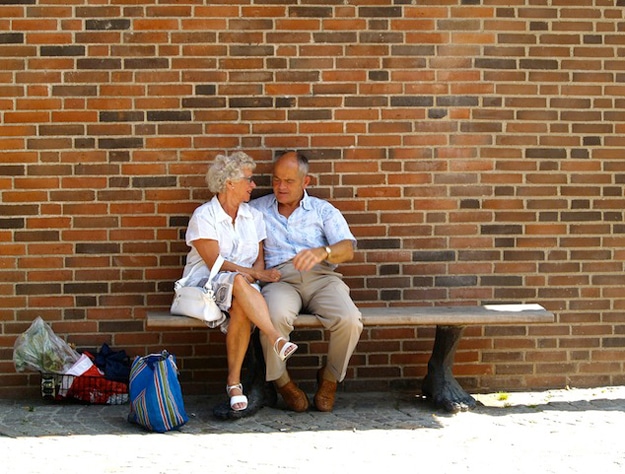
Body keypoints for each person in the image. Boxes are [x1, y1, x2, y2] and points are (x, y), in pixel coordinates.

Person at [180, 151, 298, 412]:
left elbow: (259, 260)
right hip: (206, 284)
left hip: (242, 289)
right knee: (240, 284)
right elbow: (215, 263)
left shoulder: (253, 216)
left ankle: (234, 385)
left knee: (242, 302)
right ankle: (275, 337)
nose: (253, 185)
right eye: (248, 179)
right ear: (229, 183)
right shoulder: (204, 215)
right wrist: (254, 275)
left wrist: (254, 275)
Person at [250, 150, 363, 412]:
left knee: (349, 319)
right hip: (280, 280)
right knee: (274, 318)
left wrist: (323, 252)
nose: (281, 187)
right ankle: (282, 382)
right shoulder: (257, 210)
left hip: (322, 277)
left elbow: (347, 248)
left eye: (289, 181)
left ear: (306, 181)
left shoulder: (322, 210)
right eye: (276, 180)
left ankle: (330, 378)